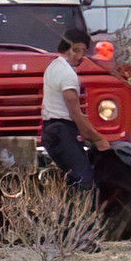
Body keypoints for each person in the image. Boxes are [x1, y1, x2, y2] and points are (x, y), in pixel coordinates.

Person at [41, 28, 111, 190]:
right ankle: (81, 213)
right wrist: (98, 139)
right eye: (75, 50)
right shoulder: (67, 75)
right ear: (66, 48)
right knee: (83, 181)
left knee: (72, 178)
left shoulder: (53, 67)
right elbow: (75, 113)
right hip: (63, 131)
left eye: (83, 51)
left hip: (50, 129)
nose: (79, 56)